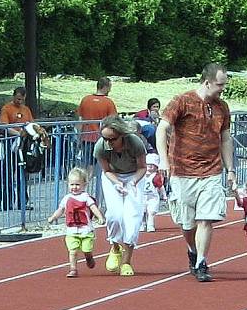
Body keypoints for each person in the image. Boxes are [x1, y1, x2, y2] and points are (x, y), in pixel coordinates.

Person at [156, 62, 236, 282]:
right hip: (182, 171)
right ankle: (192, 249)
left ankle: (201, 261)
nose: (222, 89)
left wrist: (230, 169)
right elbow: (162, 128)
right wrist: (163, 161)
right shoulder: (182, 101)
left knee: (206, 219)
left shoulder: (223, 107)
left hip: (211, 171)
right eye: (220, 84)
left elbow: (226, 138)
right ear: (207, 82)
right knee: (187, 223)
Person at [95, 115, 148, 277]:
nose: (109, 142)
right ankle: (115, 246)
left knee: (132, 218)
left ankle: (126, 261)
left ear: (122, 135)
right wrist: (117, 183)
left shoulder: (135, 142)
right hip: (113, 177)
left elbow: (142, 167)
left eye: (113, 139)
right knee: (114, 215)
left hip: (134, 175)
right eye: (105, 138)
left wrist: (133, 182)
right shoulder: (100, 147)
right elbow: (107, 170)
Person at [47, 167, 105, 278]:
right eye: (72, 184)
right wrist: (53, 217)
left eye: (78, 184)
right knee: (72, 251)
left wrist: (100, 217)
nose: (74, 187)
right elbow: (61, 210)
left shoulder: (85, 197)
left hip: (86, 230)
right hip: (72, 230)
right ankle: (73, 269)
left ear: (84, 185)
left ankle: (89, 257)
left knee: (86, 250)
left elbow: (93, 208)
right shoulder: (67, 198)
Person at [0, 86, 35, 209]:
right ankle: (7, 203)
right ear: (14, 96)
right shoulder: (6, 109)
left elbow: (31, 124)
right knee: (8, 173)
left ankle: (22, 202)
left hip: (24, 144)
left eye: (22, 100)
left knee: (23, 173)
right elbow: (5, 126)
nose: (19, 102)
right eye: (18, 99)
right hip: (10, 143)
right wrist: (18, 133)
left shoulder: (26, 109)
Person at [77, 77, 118, 176]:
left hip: (86, 137)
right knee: (102, 163)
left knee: (88, 163)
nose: (110, 90)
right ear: (106, 87)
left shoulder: (85, 100)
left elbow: (80, 120)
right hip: (101, 138)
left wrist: (79, 136)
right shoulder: (108, 102)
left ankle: (85, 183)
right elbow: (114, 121)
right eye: (110, 87)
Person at [141, 153, 166, 232]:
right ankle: (142, 224)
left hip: (153, 197)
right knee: (142, 212)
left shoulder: (156, 176)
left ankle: (150, 225)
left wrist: (164, 195)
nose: (150, 167)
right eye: (148, 164)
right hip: (142, 196)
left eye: (152, 165)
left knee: (151, 212)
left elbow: (161, 187)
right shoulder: (141, 174)